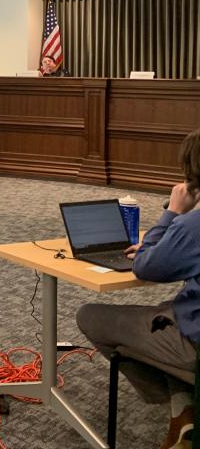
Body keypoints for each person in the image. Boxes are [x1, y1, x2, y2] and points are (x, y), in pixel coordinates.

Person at [77, 129, 200, 449]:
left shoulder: (191, 226)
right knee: (167, 309)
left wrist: (172, 213)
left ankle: (181, 408)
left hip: (194, 345)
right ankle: (184, 406)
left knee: (90, 315)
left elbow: (145, 266)